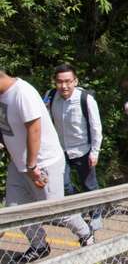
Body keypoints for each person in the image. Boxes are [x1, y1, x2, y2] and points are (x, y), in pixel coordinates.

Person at [0, 68, 94, 264]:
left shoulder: (22, 93)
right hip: (18, 163)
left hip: (42, 162)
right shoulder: (3, 96)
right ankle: (39, 245)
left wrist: (33, 165)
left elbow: (34, 127)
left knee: (56, 210)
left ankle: (86, 235)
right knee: (15, 208)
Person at [46, 63, 103, 231]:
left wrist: (95, 152)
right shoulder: (50, 96)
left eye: (68, 81)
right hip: (60, 150)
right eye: (60, 81)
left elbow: (96, 127)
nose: (64, 86)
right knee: (63, 185)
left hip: (83, 150)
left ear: (75, 81)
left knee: (89, 185)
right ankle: (75, 214)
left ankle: (96, 213)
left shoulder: (85, 99)